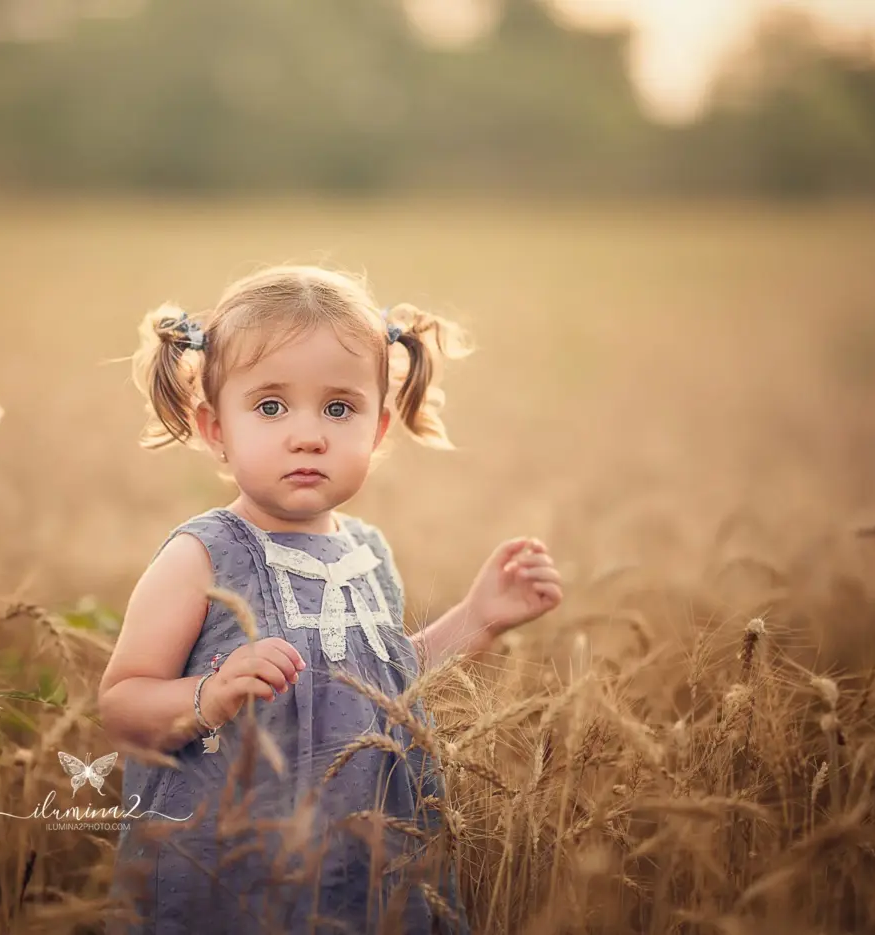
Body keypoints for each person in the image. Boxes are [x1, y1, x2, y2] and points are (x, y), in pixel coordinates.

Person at [98, 264, 563, 934]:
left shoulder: (368, 554)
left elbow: (379, 687)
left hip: (365, 874)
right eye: (270, 406)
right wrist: (212, 695)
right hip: (229, 882)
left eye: (339, 408)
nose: (309, 433)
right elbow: (121, 706)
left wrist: (476, 618)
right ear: (213, 426)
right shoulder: (201, 557)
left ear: (378, 429)